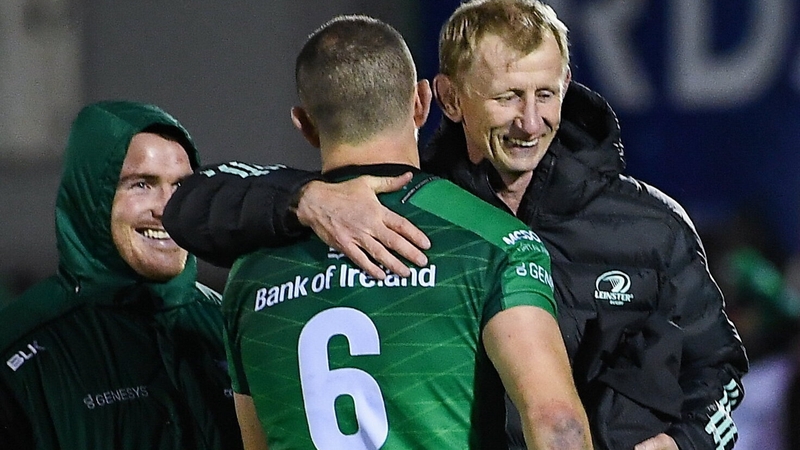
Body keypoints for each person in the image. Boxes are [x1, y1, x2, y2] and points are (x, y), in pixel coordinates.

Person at [163, 1, 749, 449]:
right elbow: (190, 203)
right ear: (444, 98)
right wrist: (309, 197)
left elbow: (719, 370)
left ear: (567, 88)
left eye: (546, 94)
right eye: (506, 97)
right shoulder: (402, 211)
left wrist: (683, 443)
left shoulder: (651, 225)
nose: (530, 121)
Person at [223, 14, 591, 450]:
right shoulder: (494, 242)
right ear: (421, 102)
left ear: (304, 124)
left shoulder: (249, 275)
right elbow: (557, 423)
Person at [0, 101, 243, 450]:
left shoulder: (235, 327)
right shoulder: (19, 351)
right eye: (142, 185)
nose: (167, 209)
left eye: (181, 187)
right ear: (91, 197)